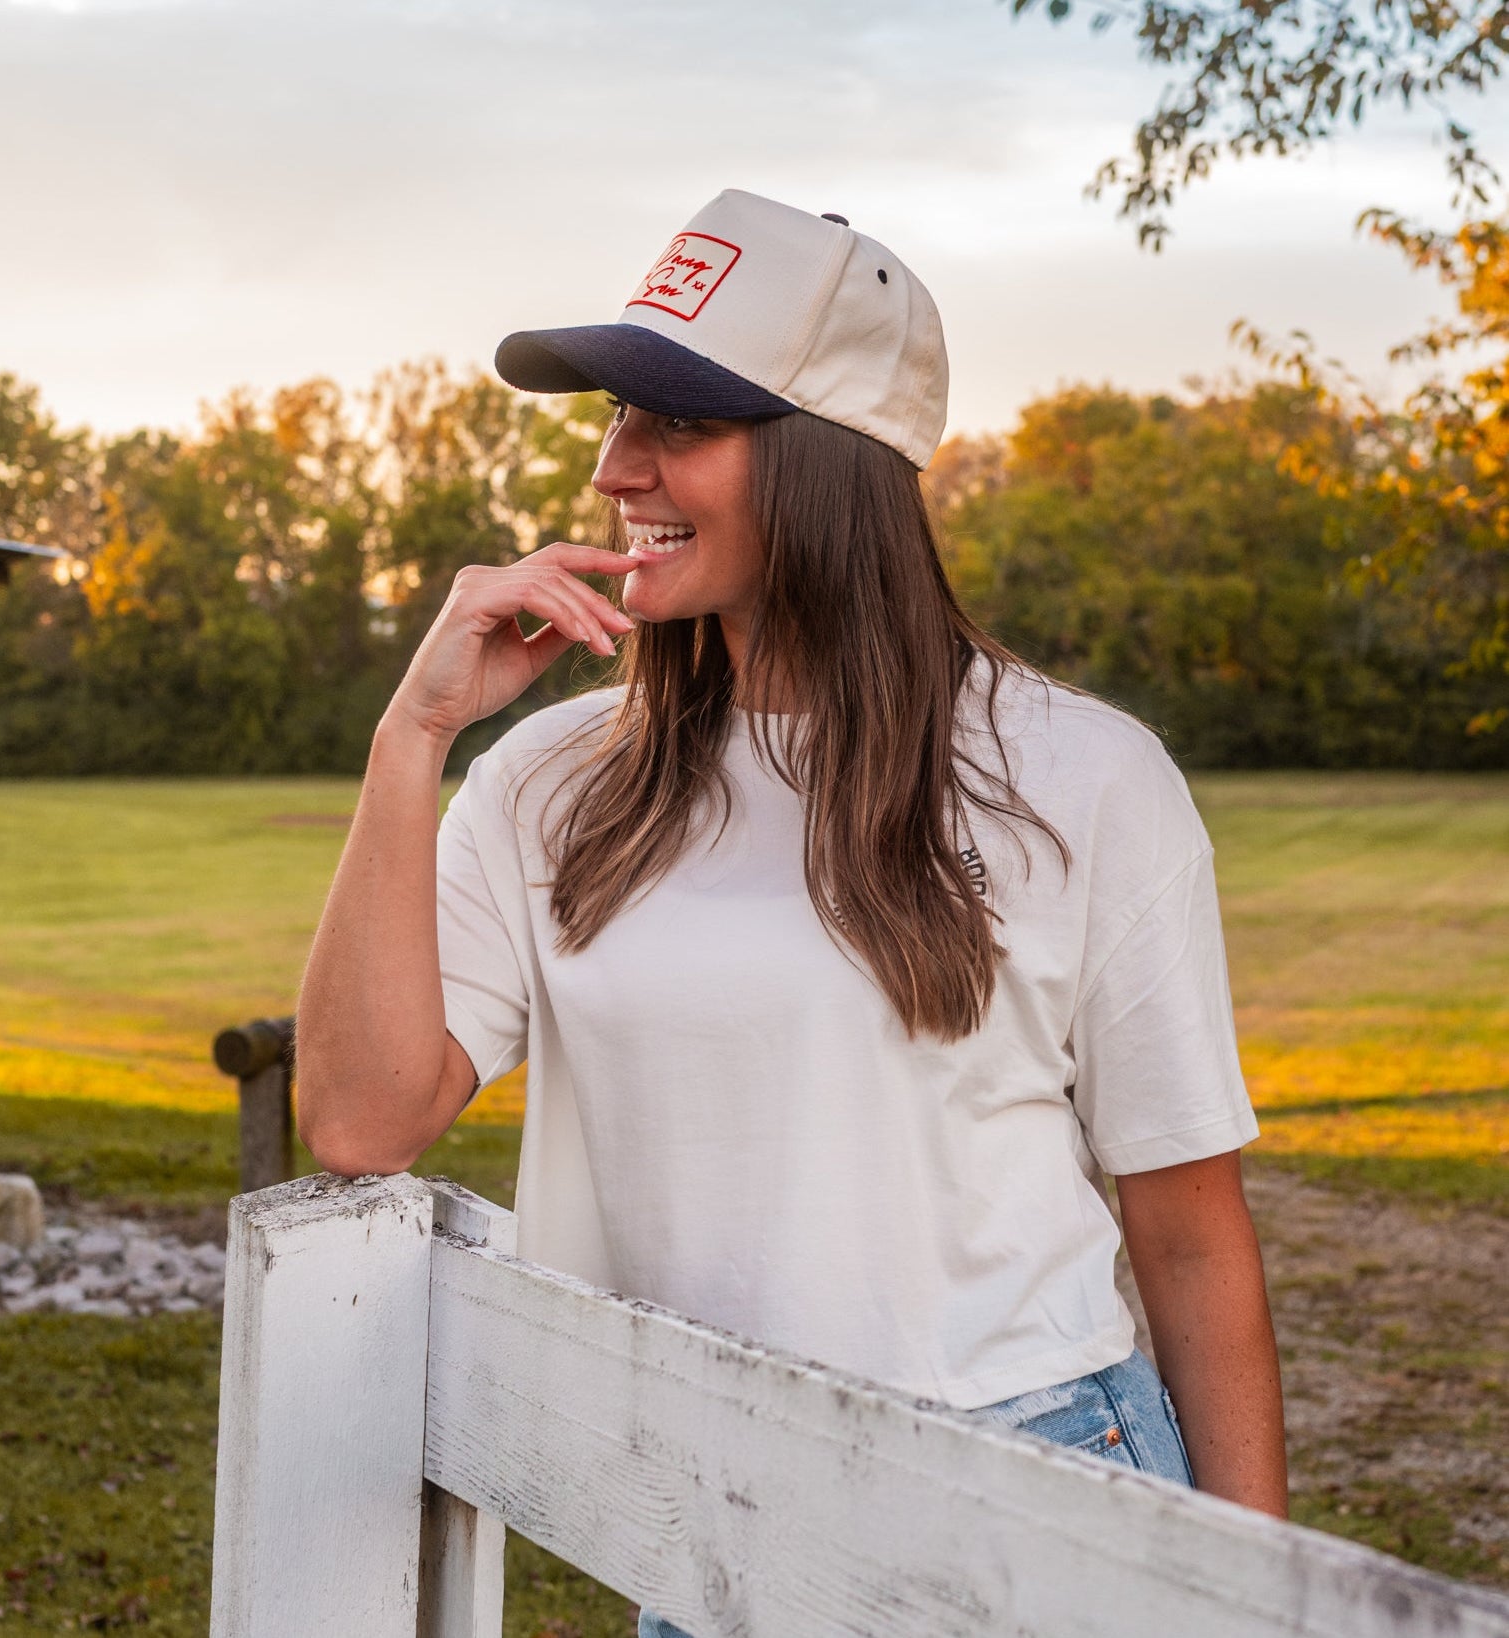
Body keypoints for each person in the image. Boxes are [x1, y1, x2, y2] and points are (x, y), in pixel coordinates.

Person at [296, 190, 1288, 1634]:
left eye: (675, 426)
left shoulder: (1081, 778)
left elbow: (1188, 1230)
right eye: (614, 417)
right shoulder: (547, 781)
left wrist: (1255, 1591)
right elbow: (358, 1119)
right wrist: (410, 740)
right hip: (709, 1515)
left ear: (833, 465)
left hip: (1030, 1478)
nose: (610, 468)